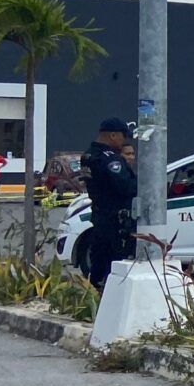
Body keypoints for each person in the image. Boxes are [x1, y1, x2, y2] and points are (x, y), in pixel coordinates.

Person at [82, 118, 138, 288]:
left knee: (99, 261)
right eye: (122, 137)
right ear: (113, 135)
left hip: (100, 215)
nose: (123, 142)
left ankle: (96, 294)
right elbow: (126, 186)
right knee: (116, 265)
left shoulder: (89, 155)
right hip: (116, 221)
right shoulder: (110, 159)